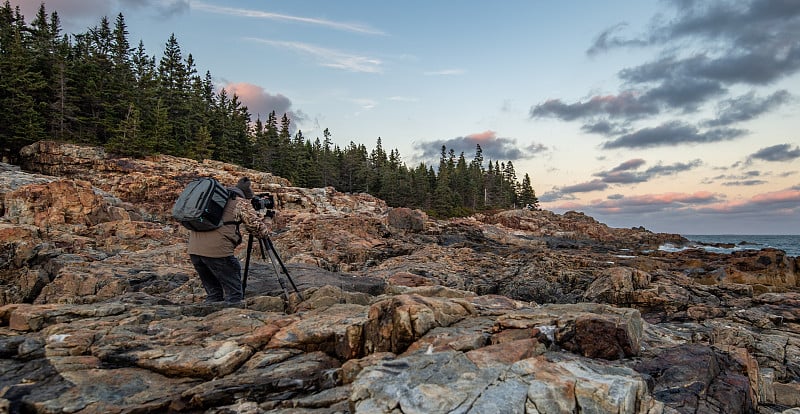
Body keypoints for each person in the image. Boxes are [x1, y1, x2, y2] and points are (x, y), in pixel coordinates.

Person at [187, 177, 272, 307]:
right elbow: (259, 230)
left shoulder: (213, 200)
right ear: (244, 195)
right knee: (234, 295)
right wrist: (268, 219)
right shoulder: (239, 203)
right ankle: (234, 315)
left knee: (214, 294)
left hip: (194, 251)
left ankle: (209, 317)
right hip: (217, 253)